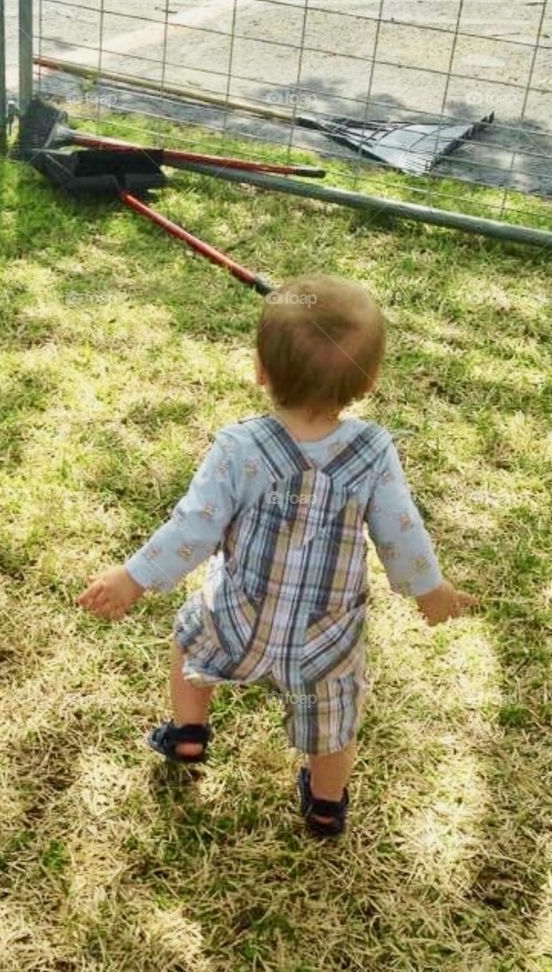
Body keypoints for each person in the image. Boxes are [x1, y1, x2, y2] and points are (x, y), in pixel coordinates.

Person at [78, 274, 477, 837]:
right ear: (372, 380)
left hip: (238, 616)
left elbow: (194, 526)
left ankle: (188, 735)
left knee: (191, 640)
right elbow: (401, 533)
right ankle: (325, 803)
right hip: (326, 639)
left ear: (260, 371)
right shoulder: (373, 452)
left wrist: (134, 576)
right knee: (336, 722)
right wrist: (429, 590)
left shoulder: (240, 448)